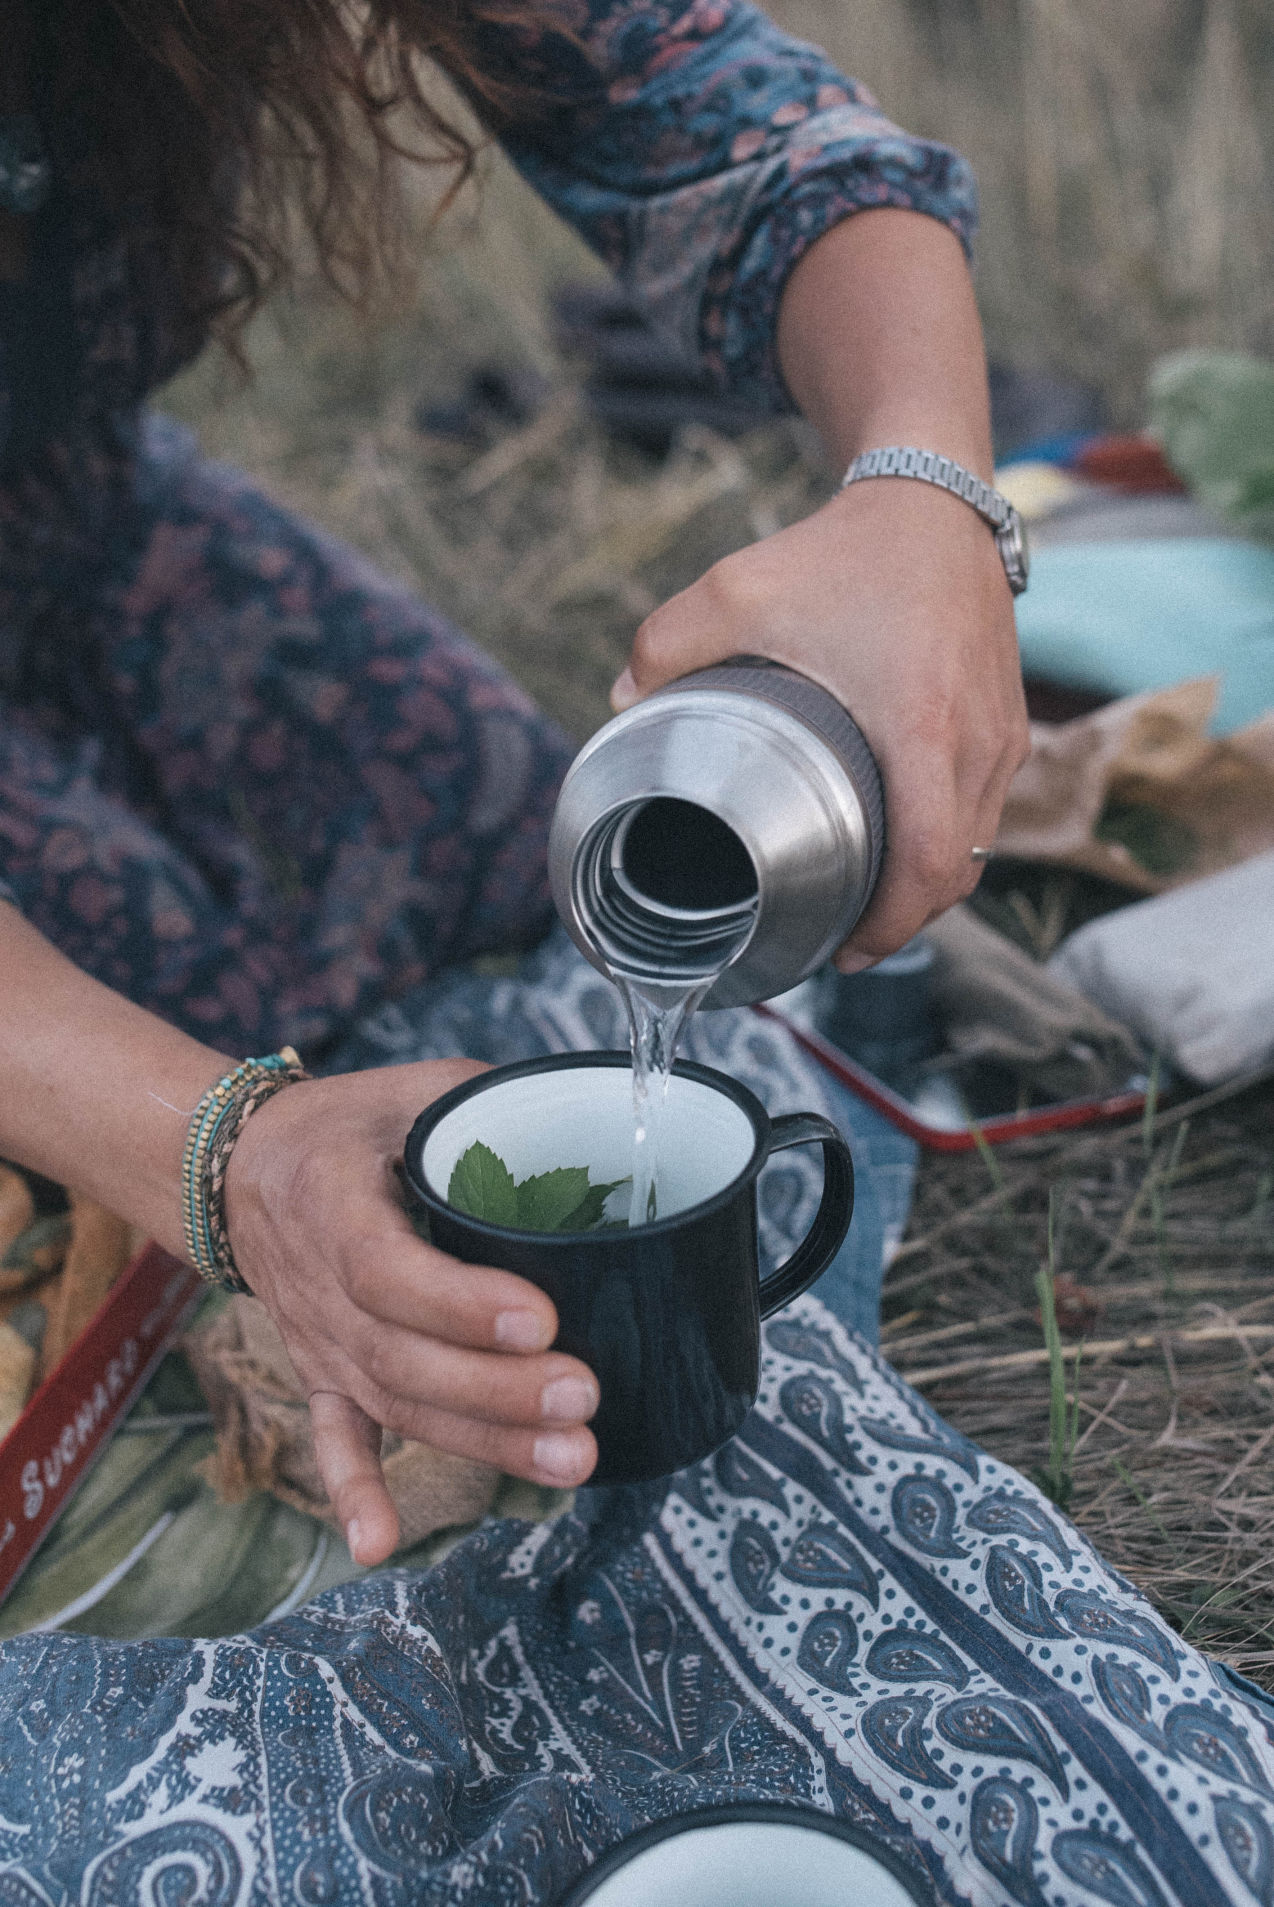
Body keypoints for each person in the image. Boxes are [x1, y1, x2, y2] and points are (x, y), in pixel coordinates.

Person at [0, 0, 1027, 1569]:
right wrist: (218, 1154)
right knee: (158, 1025)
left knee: (500, 840)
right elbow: (194, 1123)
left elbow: (723, 107)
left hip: (65, 512)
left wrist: (925, 489)